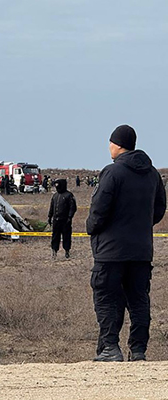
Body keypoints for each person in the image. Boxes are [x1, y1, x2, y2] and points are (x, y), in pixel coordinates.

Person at [86, 124, 166, 362]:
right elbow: (160, 209)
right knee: (139, 300)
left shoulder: (112, 173)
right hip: (141, 251)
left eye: (110, 142)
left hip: (111, 252)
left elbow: (99, 209)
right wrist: (140, 226)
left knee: (107, 298)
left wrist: (92, 227)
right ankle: (138, 350)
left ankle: (110, 348)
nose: (109, 147)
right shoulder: (152, 174)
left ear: (117, 144)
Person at [47, 179, 77, 259]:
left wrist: (70, 217)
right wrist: (49, 217)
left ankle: (67, 251)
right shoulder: (55, 196)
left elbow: (73, 207)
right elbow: (52, 207)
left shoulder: (69, 195)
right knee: (55, 236)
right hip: (56, 220)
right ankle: (54, 251)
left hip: (65, 221)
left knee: (66, 236)